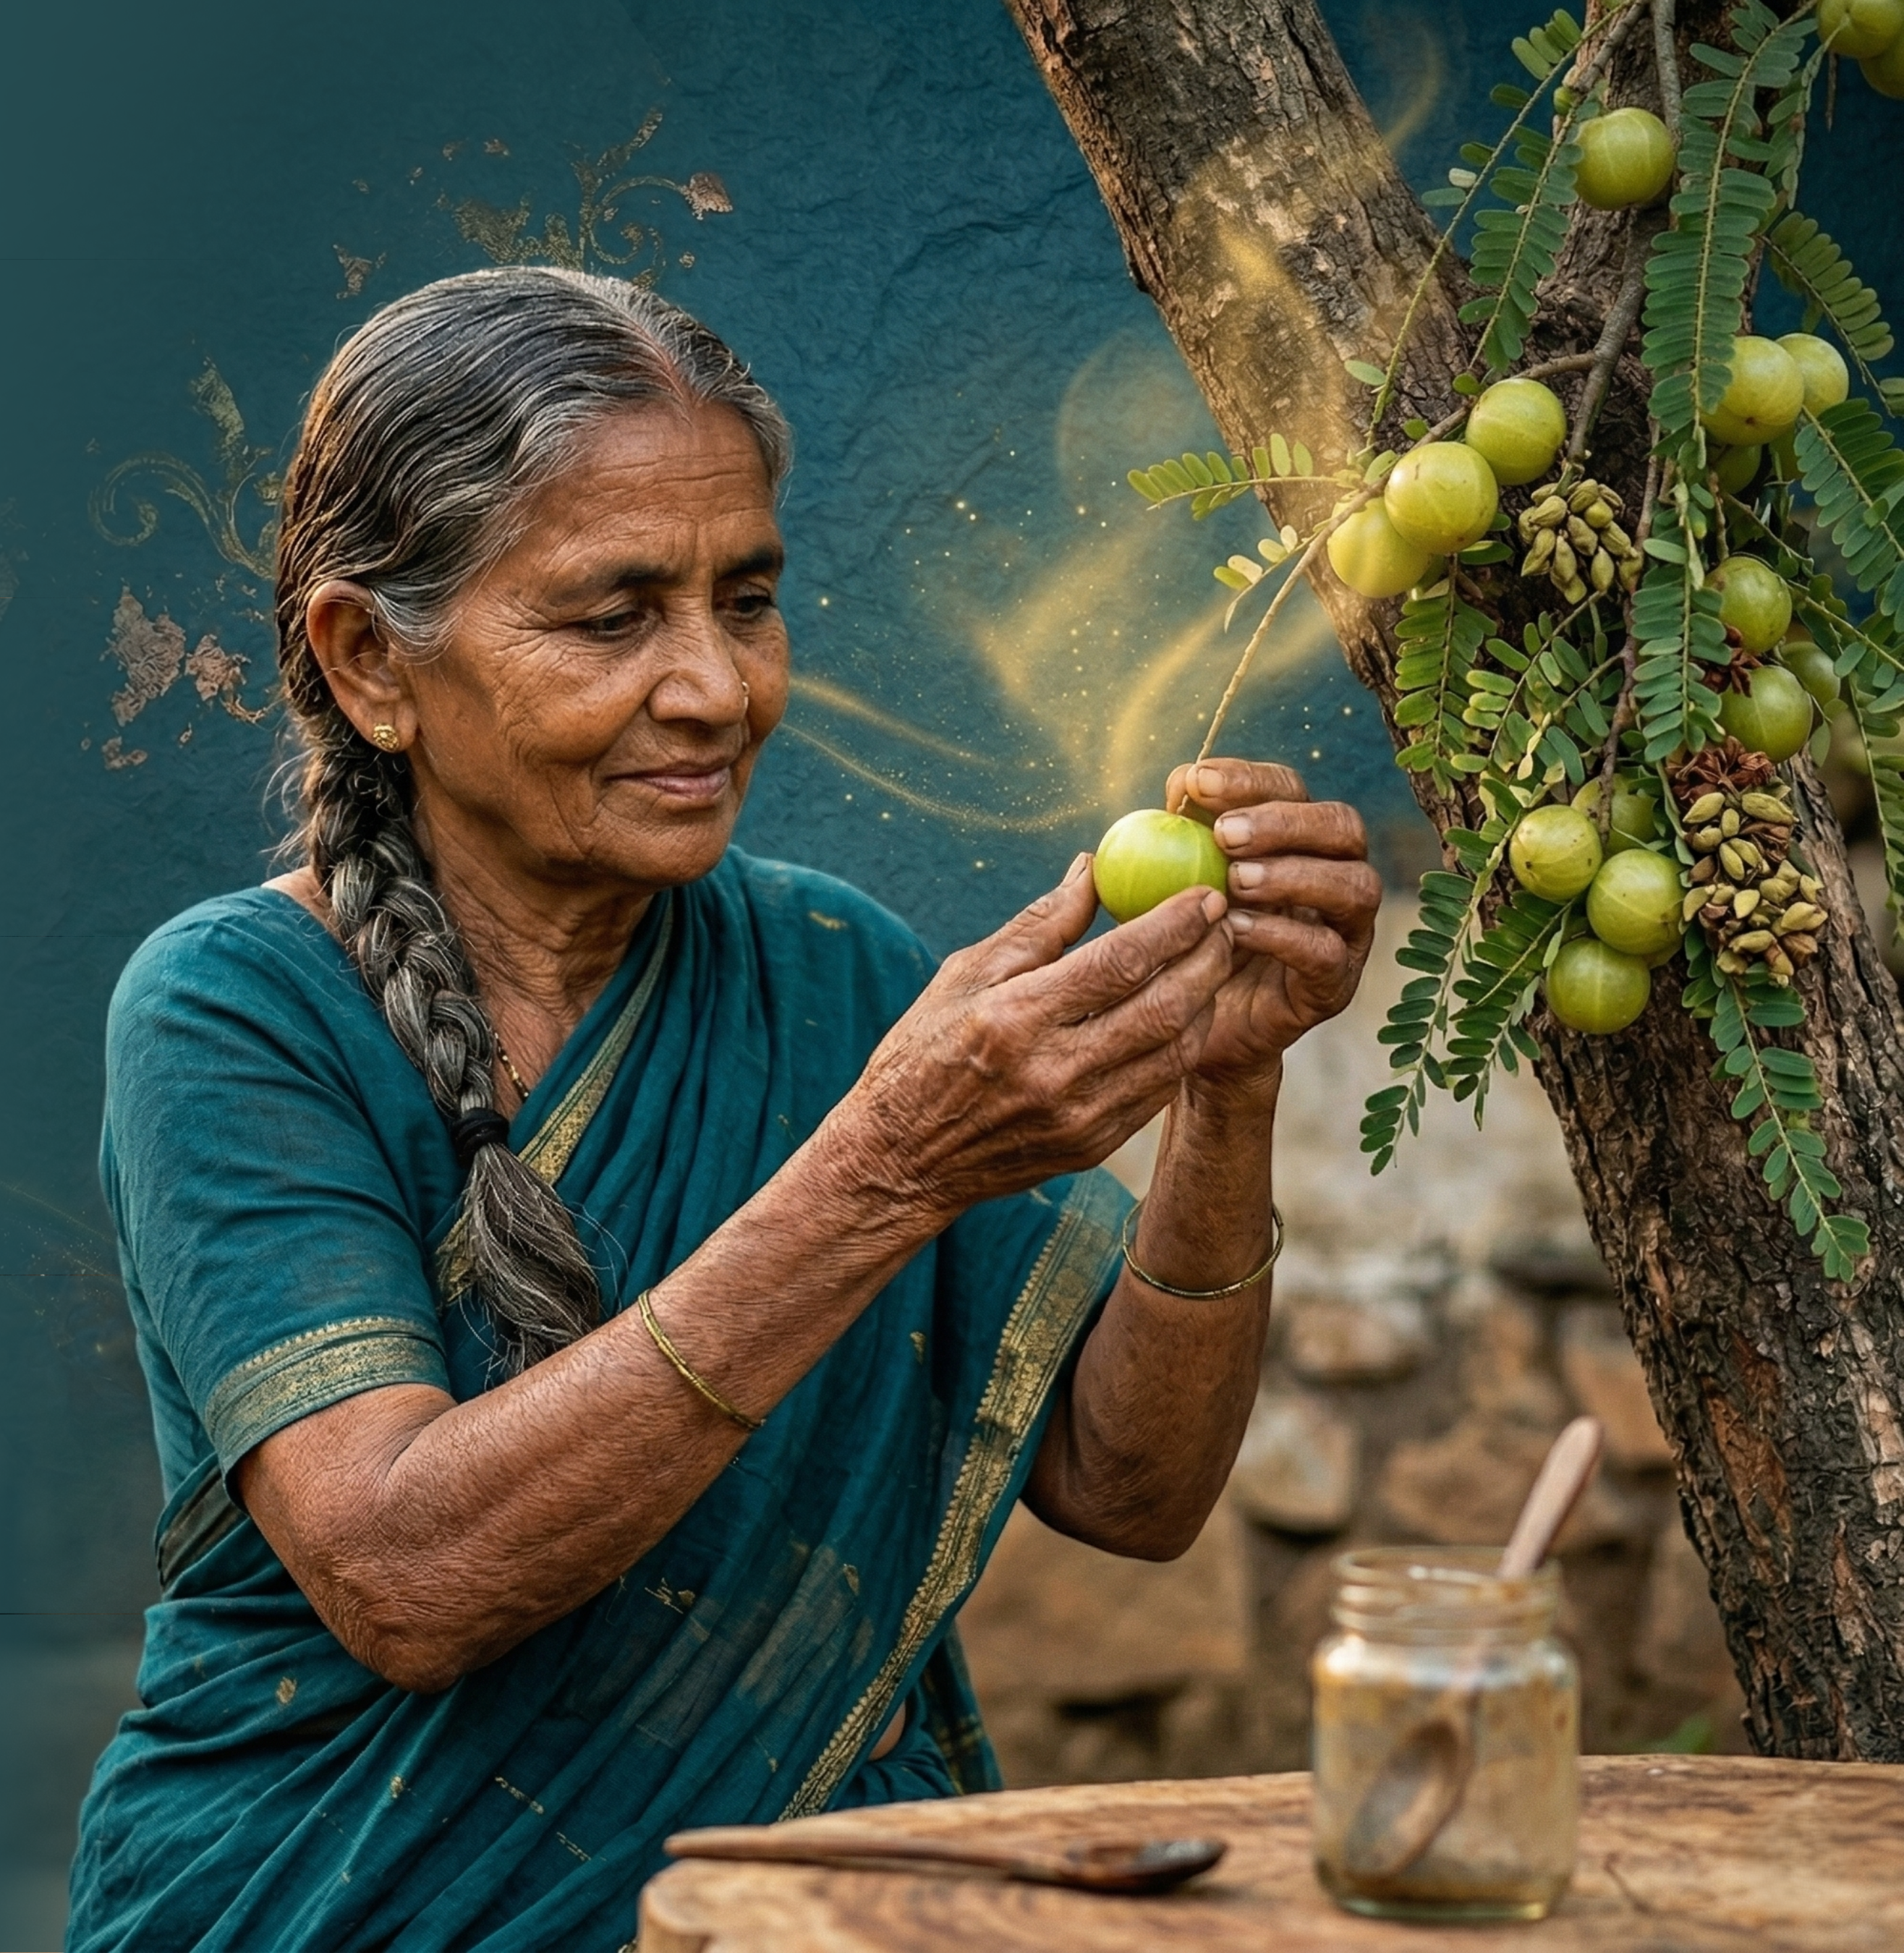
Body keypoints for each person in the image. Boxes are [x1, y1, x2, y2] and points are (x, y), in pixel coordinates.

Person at [67, 265, 1380, 1952]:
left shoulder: (829, 967)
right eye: (612, 618)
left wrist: (1229, 1082)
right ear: (370, 660)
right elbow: (404, 1576)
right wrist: (880, 1174)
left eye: (745, 601)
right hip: (325, 1903)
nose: (716, 688)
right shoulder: (235, 1014)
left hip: (782, 1914)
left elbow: (1132, 1491)